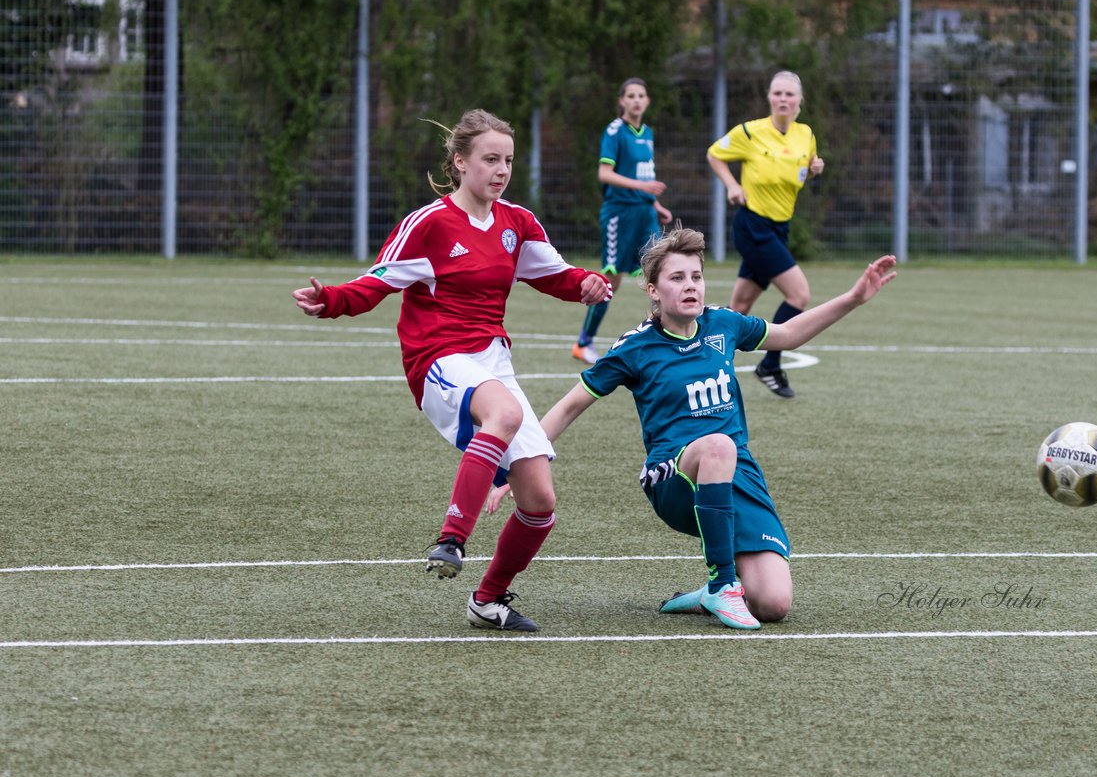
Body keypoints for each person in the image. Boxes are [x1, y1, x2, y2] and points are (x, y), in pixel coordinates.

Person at [291, 109, 610, 633]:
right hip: (438, 357)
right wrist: (332, 300)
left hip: (492, 361)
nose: (500, 169)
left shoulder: (517, 223)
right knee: (503, 413)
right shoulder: (430, 224)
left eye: (507, 159)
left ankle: (488, 601)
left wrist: (587, 284)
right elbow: (377, 282)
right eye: (490, 159)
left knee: (539, 502)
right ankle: (451, 538)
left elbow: (556, 274)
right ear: (460, 163)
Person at [491, 226, 896, 630]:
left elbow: (788, 335)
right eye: (677, 278)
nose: (691, 286)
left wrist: (854, 298)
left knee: (774, 603)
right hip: (671, 478)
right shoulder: (636, 347)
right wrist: (519, 463)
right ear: (652, 290)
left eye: (696, 277)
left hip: (738, 474)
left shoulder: (724, 325)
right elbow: (568, 407)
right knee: (719, 445)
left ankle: (705, 597)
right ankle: (722, 585)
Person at [707, 70, 824, 399]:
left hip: (779, 228)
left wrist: (816, 168)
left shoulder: (806, 135)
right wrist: (732, 185)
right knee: (799, 295)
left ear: (800, 101)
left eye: (789, 94)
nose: (783, 99)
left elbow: (806, 166)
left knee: (739, 306)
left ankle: (711, 365)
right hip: (753, 225)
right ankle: (770, 365)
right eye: (777, 93)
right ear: (769, 98)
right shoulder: (751, 131)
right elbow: (714, 154)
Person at [573, 77, 673, 365]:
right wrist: (645, 189)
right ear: (622, 101)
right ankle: (584, 342)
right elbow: (605, 174)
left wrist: (655, 203)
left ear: (648, 101)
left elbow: (643, 175)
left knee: (660, 269)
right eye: (631, 95)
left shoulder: (648, 133)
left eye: (641, 95)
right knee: (611, 281)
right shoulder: (615, 131)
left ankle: (666, 339)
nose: (637, 100)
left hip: (645, 214)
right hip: (619, 215)